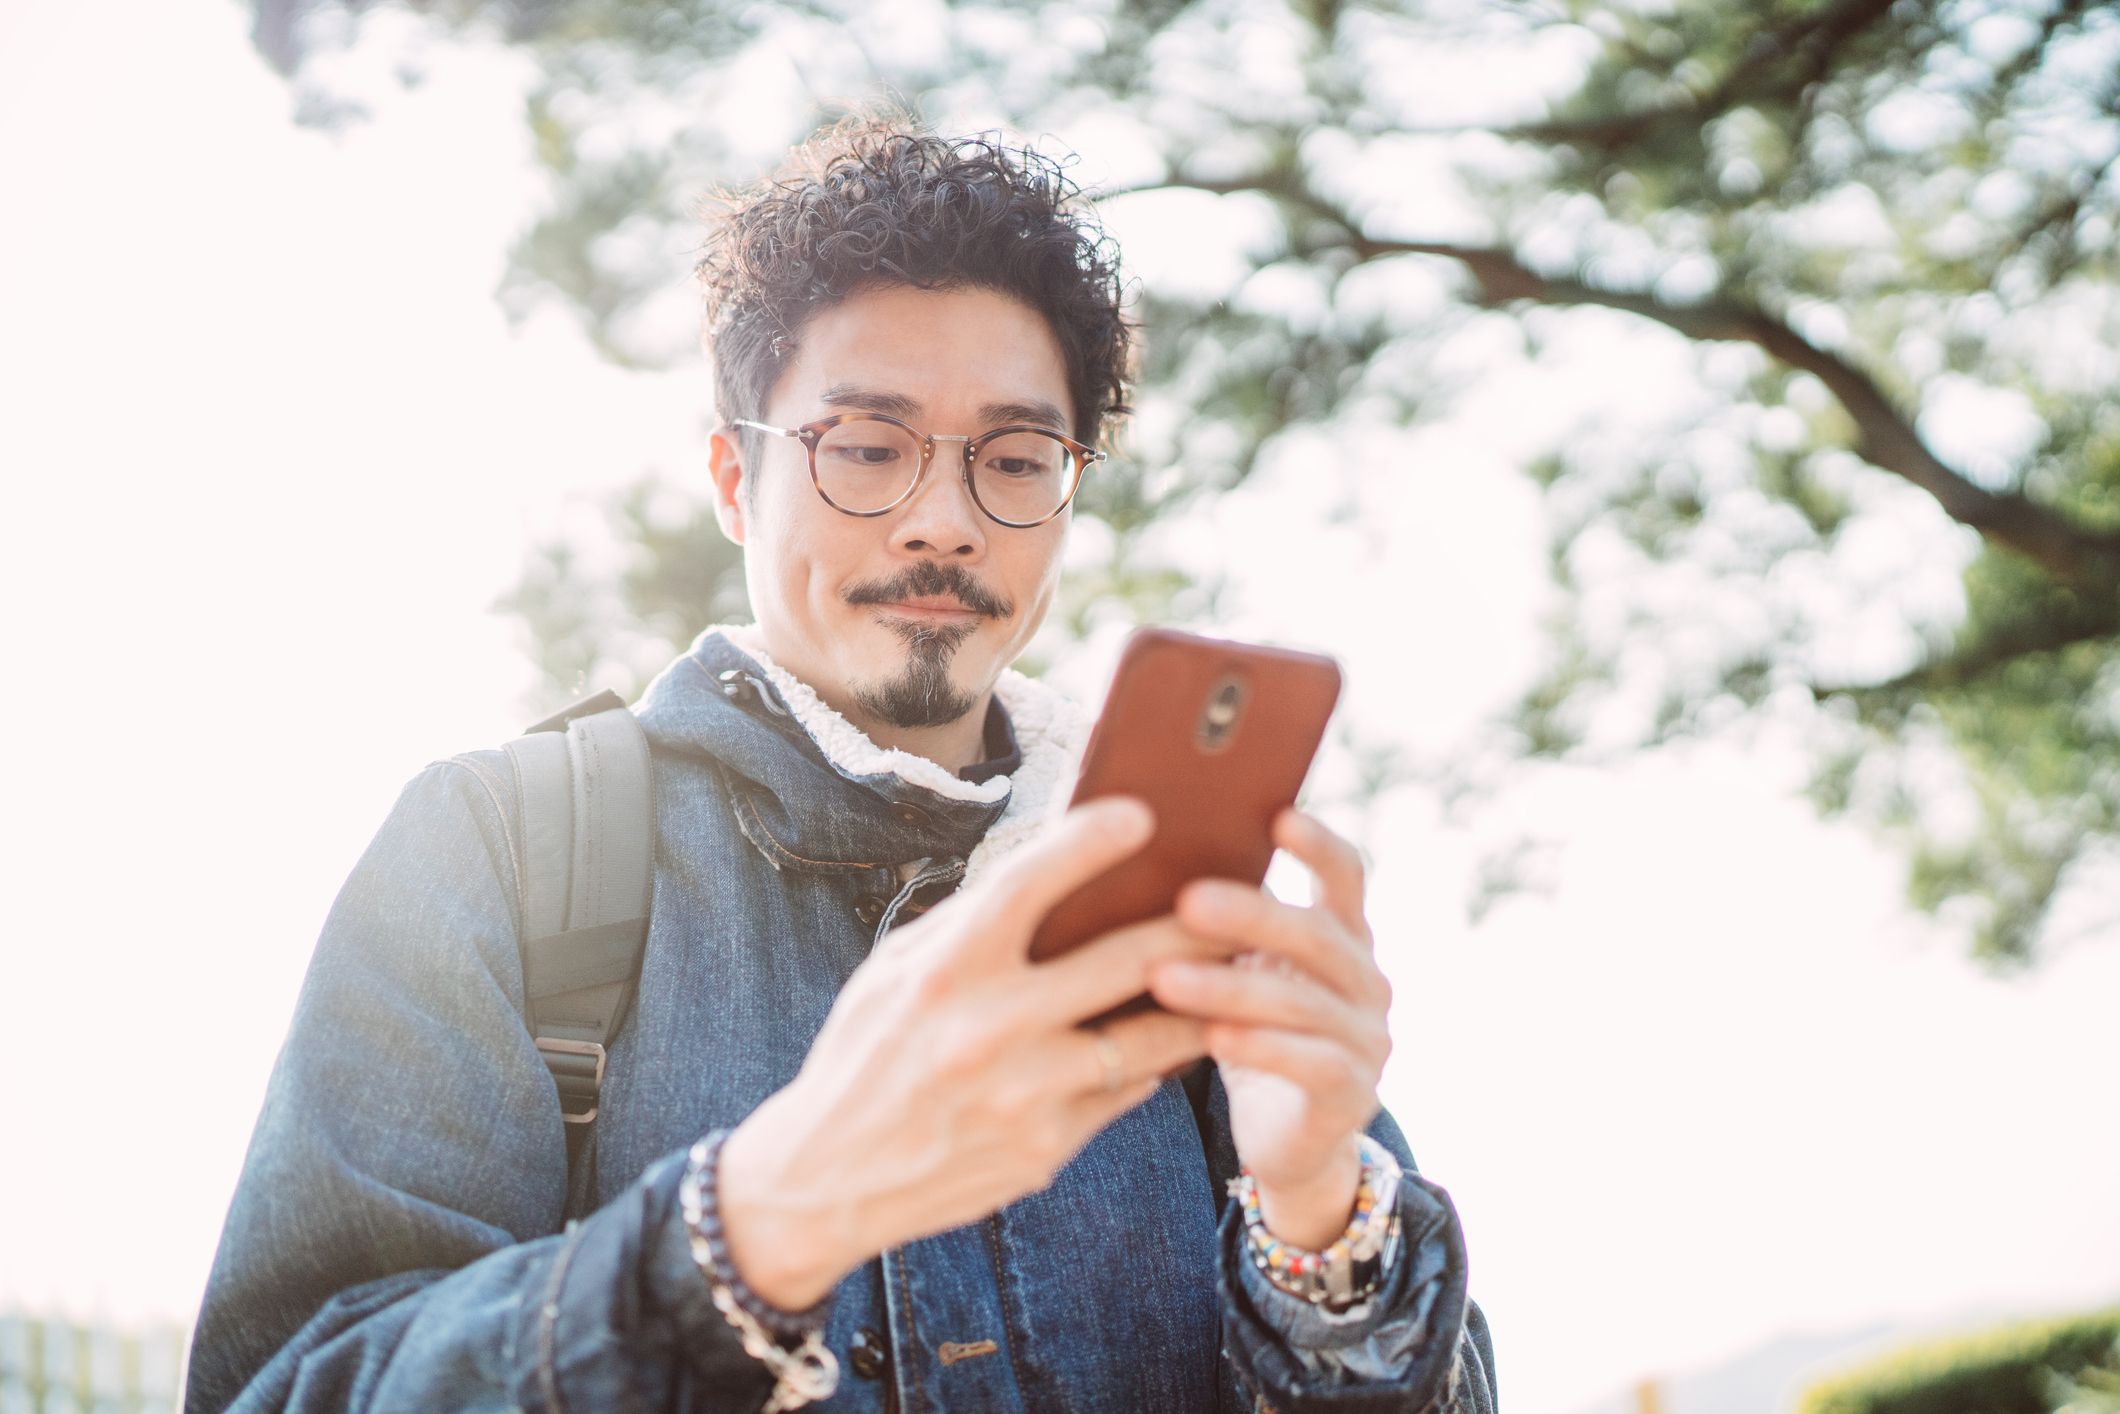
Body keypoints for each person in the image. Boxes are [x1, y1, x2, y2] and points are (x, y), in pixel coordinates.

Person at [185, 112, 1498, 1413]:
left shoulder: (1184, 924)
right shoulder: (500, 854)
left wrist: (1323, 1231)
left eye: (1016, 458)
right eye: (866, 446)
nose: (945, 519)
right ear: (730, 477)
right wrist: (753, 1223)